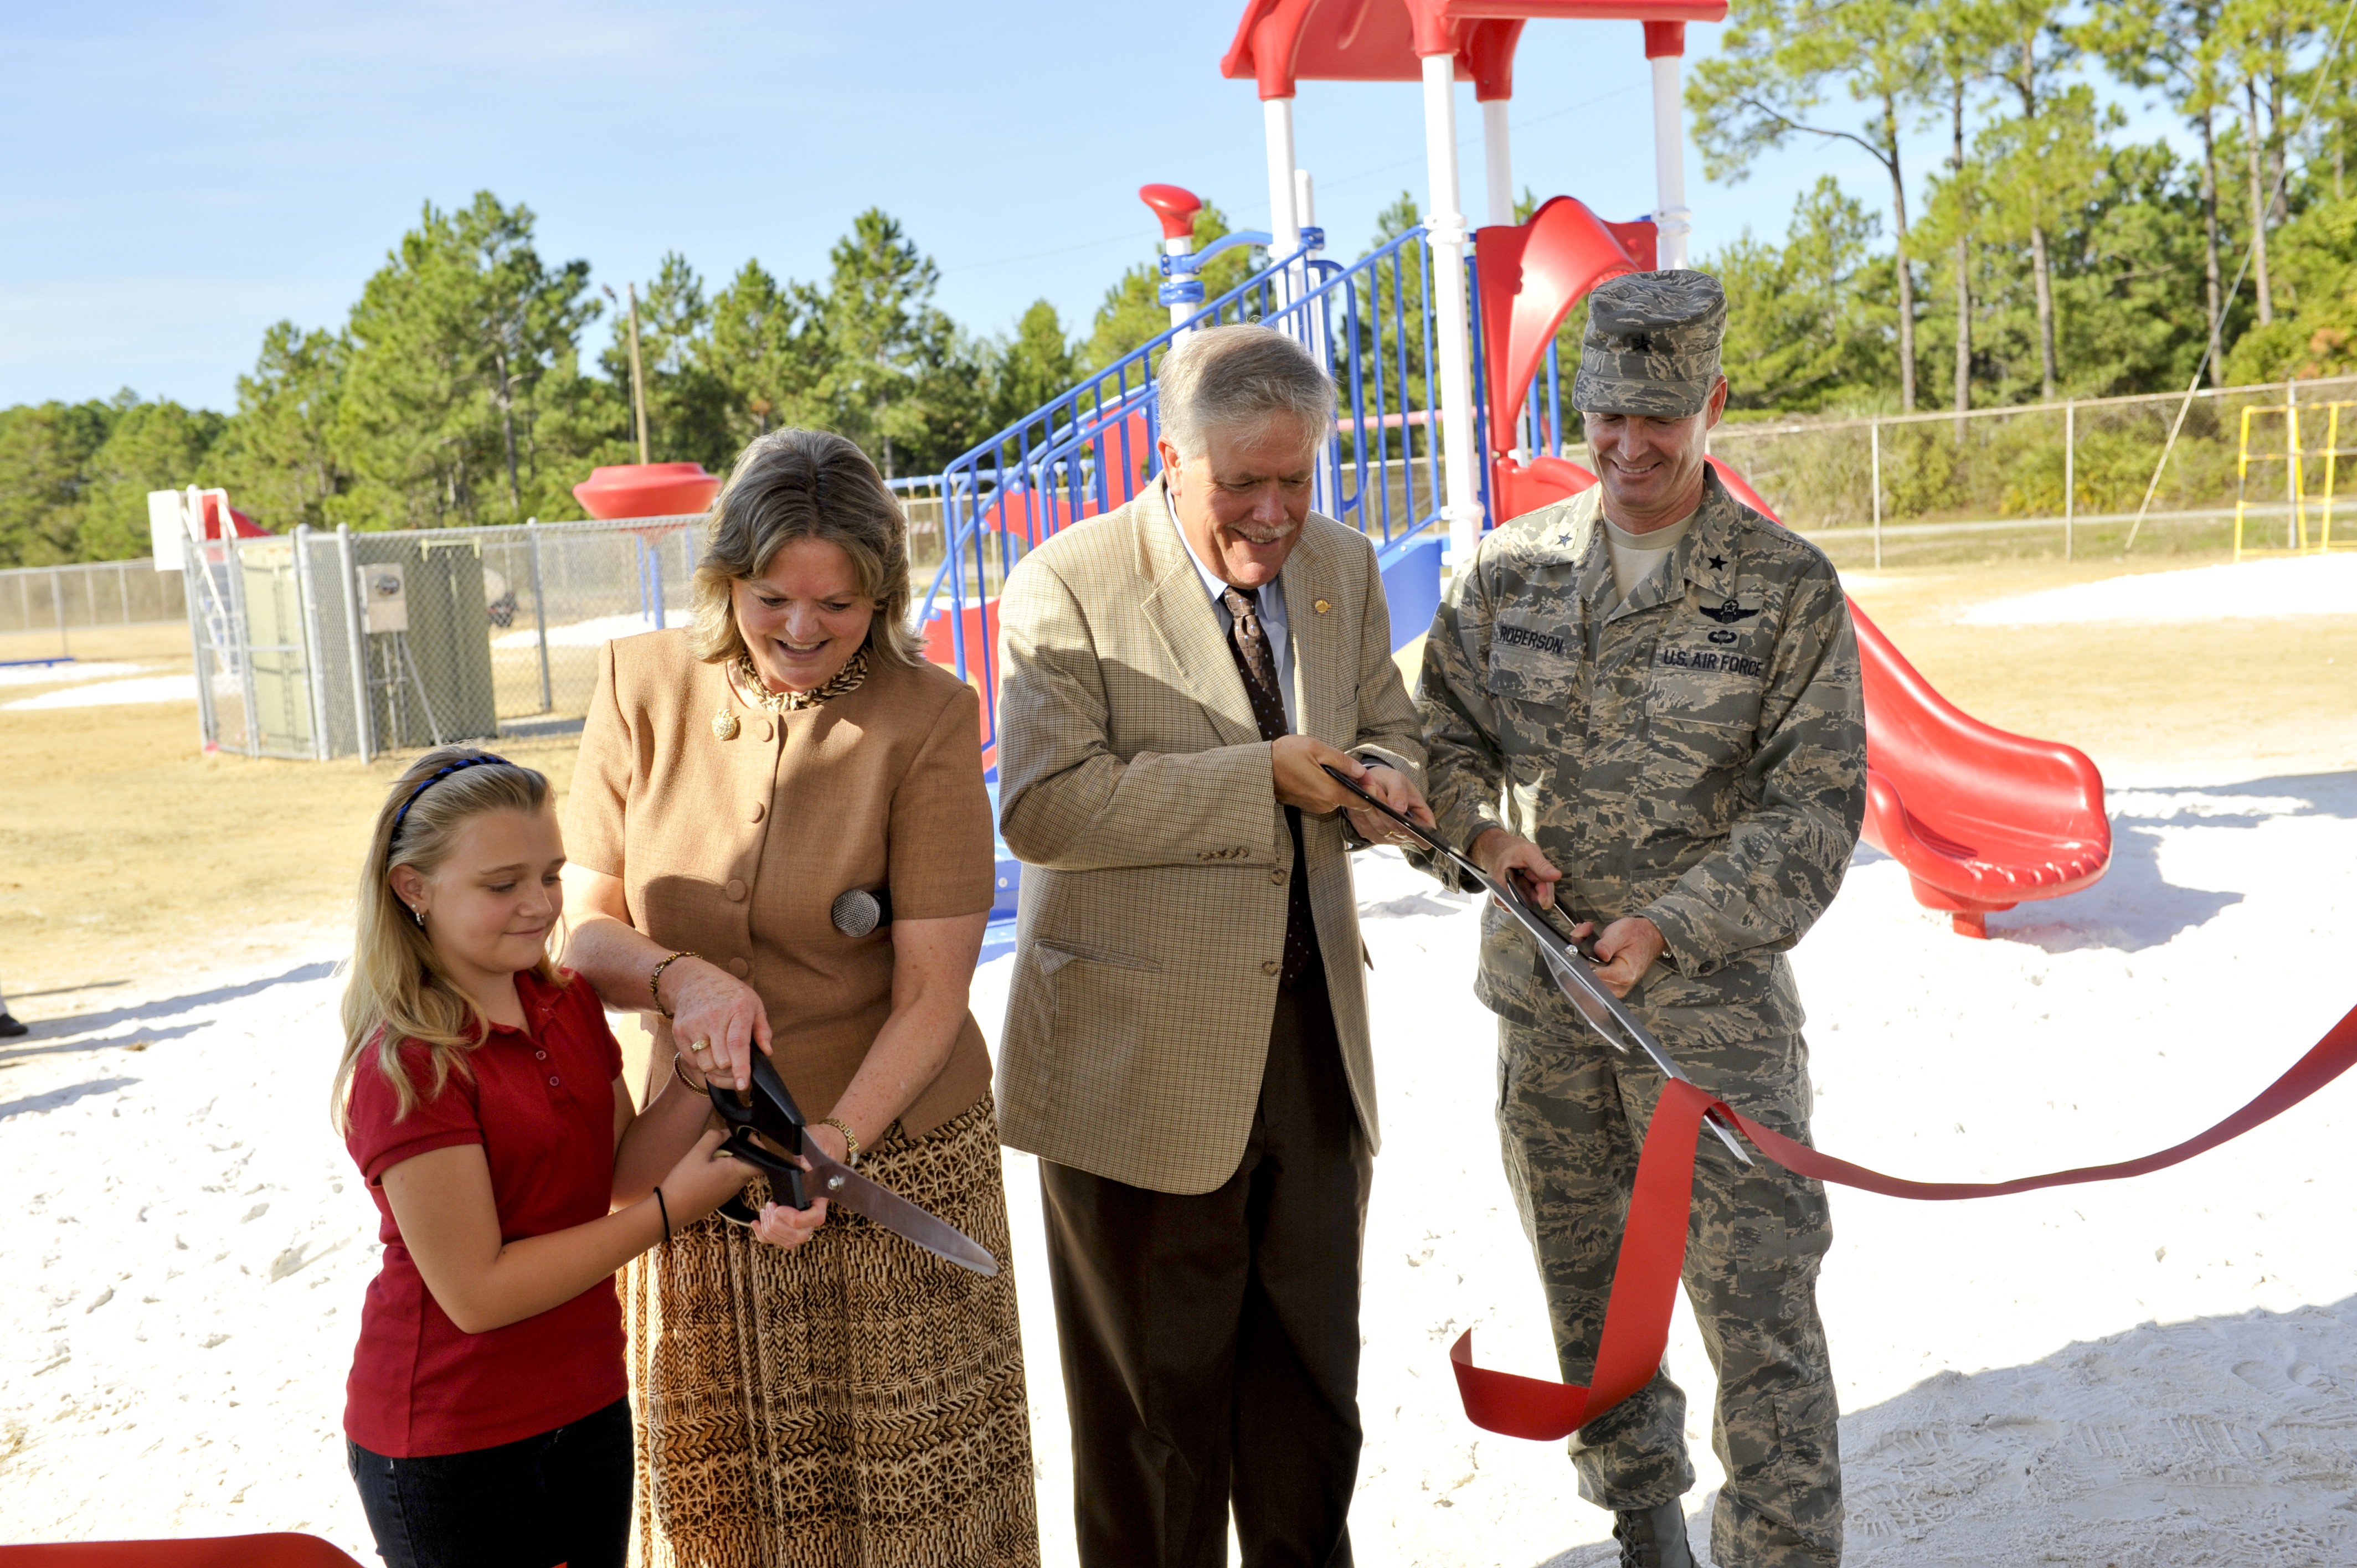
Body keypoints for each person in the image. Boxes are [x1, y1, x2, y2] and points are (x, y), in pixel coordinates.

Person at [1412, 271, 1866, 1568]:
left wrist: (1669, 924)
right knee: (1593, 1314)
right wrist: (1480, 838)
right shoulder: (1511, 574)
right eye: (1602, 418)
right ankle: (1643, 1537)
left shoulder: (1782, 588)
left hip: (1708, 1038)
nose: (1623, 448)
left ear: (1711, 404)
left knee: (1761, 1323)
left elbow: (1814, 811)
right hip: (1546, 1017)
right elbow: (1435, 738)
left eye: (1656, 421)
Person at [994, 323, 1434, 1567]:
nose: (1276, 510)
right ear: (1169, 458)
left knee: (1310, 1405)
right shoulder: (1065, 585)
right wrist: (1261, 782)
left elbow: (1396, 729)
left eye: (1298, 478)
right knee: (1155, 1433)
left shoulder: (1341, 565)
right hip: (1136, 1073)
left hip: (1311, 1057)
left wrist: (1391, 782)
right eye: (1243, 481)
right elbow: (1043, 806)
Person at [560, 428, 1039, 1566]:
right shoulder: (639, 685)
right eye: (773, 597)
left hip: (889, 1152)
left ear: (882, 595)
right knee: (723, 1505)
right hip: (689, 1159)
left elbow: (931, 993)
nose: (803, 629)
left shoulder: (927, 713)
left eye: (841, 604)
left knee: (922, 1512)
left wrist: (827, 1153)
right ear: (725, 581)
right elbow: (583, 928)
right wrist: (678, 976)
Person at [333, 746, 760, 1568]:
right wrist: (672, 1215)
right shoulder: (411, 1062)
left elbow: (619, 1173)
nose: (538, 905)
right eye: (502, 885)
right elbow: (479, 1293)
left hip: (588, 1398)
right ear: (412, 888)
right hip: (451, 1436)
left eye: (552, 875)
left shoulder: (561, 999)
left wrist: (696, 1085)